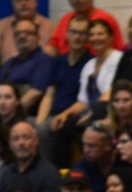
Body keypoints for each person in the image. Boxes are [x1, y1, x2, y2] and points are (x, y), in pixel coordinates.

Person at [35, 13, 94, 169]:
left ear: (88, 37)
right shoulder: (58, 61)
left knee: (45, 129)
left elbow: (87, 100)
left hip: (74, 115)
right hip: (54, 114)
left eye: (82, 33)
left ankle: (49, 171)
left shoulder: (91, 63)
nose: (77, 37)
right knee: (29, 126)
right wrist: (40, 121)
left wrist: (44, 125)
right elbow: (49, 94)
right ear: (66, 34)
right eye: (74, 32)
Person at [0, 19, 53, 122]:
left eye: (28, 33)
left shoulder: (43, 61)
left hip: (23, 117)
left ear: (37, 37)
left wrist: (11, 115)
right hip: (0, 116)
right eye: (18, 34)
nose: (22, 36)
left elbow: (35, 93)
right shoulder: (10, 63)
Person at [53, 18, 122, 126]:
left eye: (100, 34)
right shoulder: (89, 66)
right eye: (92, 35)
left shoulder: (119, 59)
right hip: (91, 113)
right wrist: (64, 114)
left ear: (110, 37)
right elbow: (83, 101)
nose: (96, 38)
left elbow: (111, 94)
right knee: (64, 124)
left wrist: (91, 115)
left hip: (111, 113)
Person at [0, 0, 55, 97]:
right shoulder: (2, 26)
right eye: (18, 1)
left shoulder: (51, 27)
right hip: (6, 79)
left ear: (36, 1)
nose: (23, 3)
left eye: (27, 0)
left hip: (35, 81)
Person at [0, 121, 63, 192]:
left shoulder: (49, 172)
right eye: (15, 139)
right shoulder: (6, 172)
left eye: (26, 137)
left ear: (36, 140)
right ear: (10, 144)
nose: (21, 143)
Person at [72, 121, 131, 192]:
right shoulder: (80, 168)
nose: (85, 150)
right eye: (84, 145)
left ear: (108, 145)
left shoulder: (126, 164)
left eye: (92, 146)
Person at [48, 0, 125, 54]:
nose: (76, 0)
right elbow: (53, 47)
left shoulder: (105, 18)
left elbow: (119, 49)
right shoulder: (65, 19)